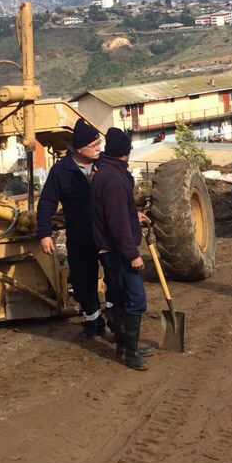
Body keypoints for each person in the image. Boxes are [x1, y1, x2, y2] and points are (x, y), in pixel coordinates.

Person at [91, 127, 152, 370]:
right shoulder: (114, 179)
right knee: (136, 299)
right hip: (118, 252)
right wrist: (132, 254)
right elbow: (117, 222)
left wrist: (132, 212)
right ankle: (129, 351)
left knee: (120, 297)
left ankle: (126, 346)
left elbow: (116, 212)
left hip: (109, 249)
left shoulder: (106, 173)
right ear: (125, 152)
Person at [37, 120, 105, 338]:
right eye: (94, 145)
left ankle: (118, 321)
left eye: (99, 143)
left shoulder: (105, 164)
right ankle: (93, 321)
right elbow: (47, 202)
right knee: (83, 280)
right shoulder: (61, 171)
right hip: (80, 235)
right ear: (78, 149)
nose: (98, 148)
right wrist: (45, 233)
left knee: (116, 276)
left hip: (107, 233)